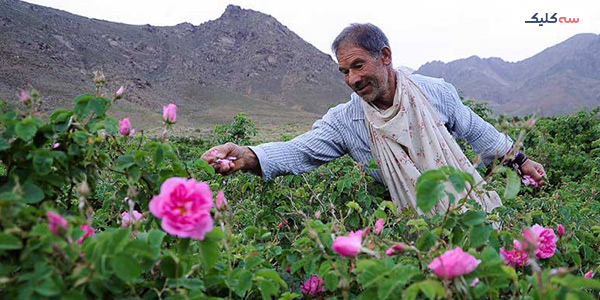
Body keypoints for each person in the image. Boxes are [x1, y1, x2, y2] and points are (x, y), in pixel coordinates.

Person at [201, 23, 546, 214]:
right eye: (344, 71)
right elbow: (300, 151)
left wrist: (521, 160)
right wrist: (248, 156)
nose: (352, 79)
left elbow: (475, 129)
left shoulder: (434, 92)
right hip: (412, 230)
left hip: (470, 215)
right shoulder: (347, 121)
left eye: (358, 65)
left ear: (385, 56)